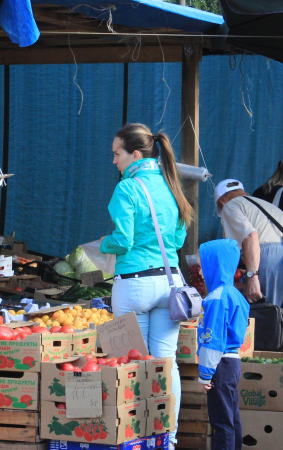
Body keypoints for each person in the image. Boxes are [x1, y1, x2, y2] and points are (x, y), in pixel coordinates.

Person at [99, 123, 191, 449]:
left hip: (134, 286)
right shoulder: (171, 186)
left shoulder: (127, 189)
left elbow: (123, 240)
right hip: (170, 284)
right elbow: (178, 239)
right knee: (166, 364)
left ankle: (136, 438)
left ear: (135, 155)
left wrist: (102, 245)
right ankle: (168, 440)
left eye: (117, 154)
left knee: (133, 364)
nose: (114, 161)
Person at [215, 179, 283, 353]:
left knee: (267, 322)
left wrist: (252, 276)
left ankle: (264, 375)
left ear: (221, 202)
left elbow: (251, 236)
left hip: (270, 257)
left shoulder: (230, 206)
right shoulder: (266, 205)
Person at [197, 239, 249, 450]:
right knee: (232, 418)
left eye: (204, 264)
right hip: (232, 363)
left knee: (221, 423)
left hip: (220, 364)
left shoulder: (216, 298)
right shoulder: (236, 295)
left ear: (215, 265)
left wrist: (205, 373)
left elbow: (213, 339)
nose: (201, 272)